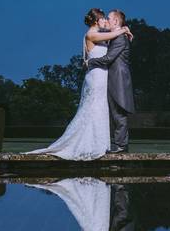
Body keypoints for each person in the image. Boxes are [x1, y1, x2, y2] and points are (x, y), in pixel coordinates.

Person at [26, 8, 132, 160]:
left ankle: (102, 144)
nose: (106, 21)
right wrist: (123, 29)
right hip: (96, 77)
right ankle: (92, 144)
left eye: (107, 19)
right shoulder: (92, 34)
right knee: (93, 107)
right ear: (97, 21)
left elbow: (111, 47)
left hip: (104, 77)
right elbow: (111, 43)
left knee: (101, 110)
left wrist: (123, 29)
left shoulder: (106, 37)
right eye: (104, 19)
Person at [84, 9, 135, 153]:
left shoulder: (119, 38)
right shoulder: (114, 36)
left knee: (119, 113)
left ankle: (121, 146)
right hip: (111, 79)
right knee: (115, 113)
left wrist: (90, 62)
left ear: (116, 21)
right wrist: (125, 28)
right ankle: (119, 144)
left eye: (110, 18)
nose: (107, 20)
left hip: (118, 80)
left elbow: (108, 59)